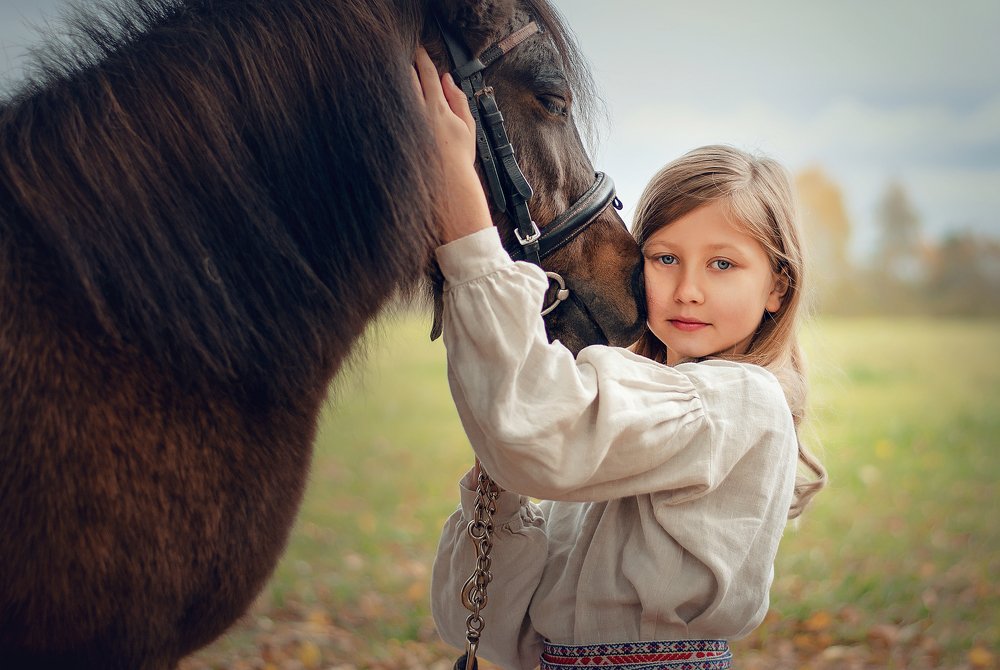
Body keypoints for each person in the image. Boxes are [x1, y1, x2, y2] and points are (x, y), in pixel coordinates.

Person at [411, 48, 826, 670]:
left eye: (723, 264)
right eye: (664, 258)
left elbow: (541, 431)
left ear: (777, 288)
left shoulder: (743, 404)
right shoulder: (623, 422)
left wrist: (468, 229)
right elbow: (489, 628)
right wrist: (501, 481)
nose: (688, 288)